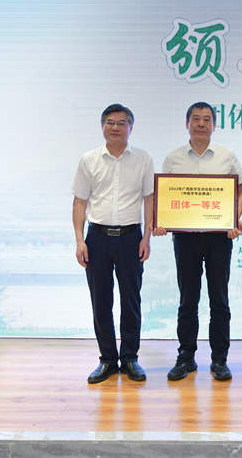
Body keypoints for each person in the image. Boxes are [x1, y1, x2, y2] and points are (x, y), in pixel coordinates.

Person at [154, 102, 242, 382]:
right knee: (188, 299)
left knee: (219, 299)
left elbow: (241, 192)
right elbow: (165, 196)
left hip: (219, 238)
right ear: (187, 124)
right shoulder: (173, 158)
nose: (201, 124)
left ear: (214, 125)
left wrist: (234, 219)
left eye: (207, 119)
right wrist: (161, 219)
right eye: (196, 119)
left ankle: (219, 358)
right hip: (185, 238)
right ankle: (186, 356)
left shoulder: (227, 155)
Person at [71, 104, 154, 384]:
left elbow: (149, 200)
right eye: (110, 122)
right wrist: (80, 240)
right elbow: (80, 202)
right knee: (101, 300)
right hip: (97, 238)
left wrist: (146, 237)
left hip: (131, 237)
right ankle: (107, 359)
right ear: (102, 126)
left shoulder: (143, 159)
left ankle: (130, 358)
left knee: (131, 301)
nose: (115, 127)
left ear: (131, 127)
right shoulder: (88, 160)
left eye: (121, 123)